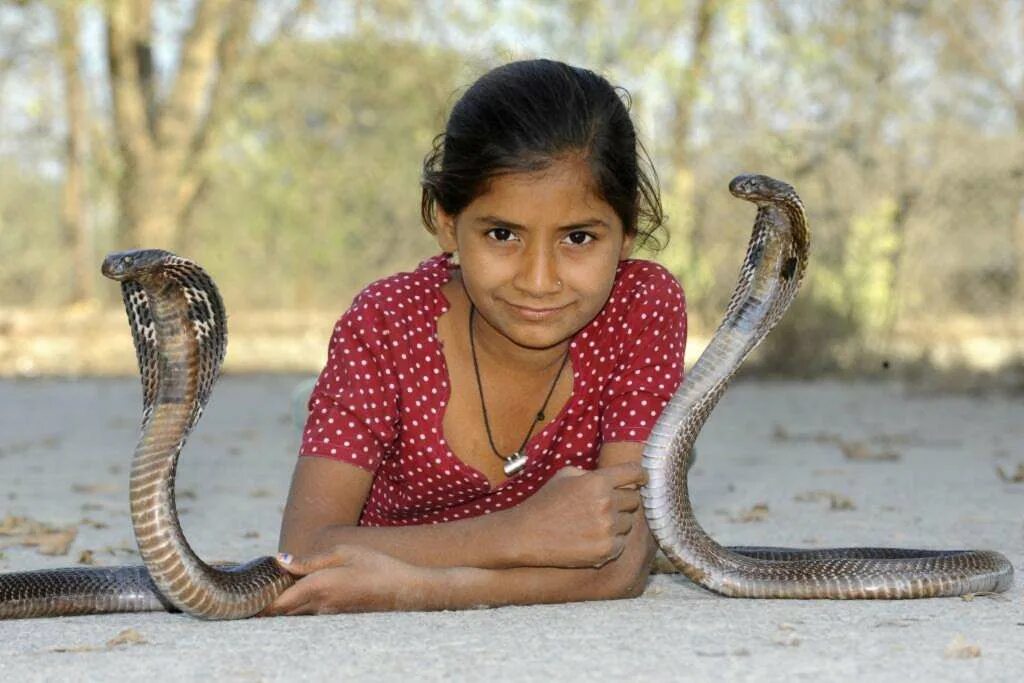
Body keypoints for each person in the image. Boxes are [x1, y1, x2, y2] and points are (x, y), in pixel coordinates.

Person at [261, 58, 687, 616]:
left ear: (627, 233)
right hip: (402, 453)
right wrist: (521, 533)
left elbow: (623, 565)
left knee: (660, 469)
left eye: (578, 237)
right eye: (502, 234)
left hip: (412, 552)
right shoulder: (387, 323)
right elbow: (303, 550)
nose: (538, 281)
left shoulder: (642, 308)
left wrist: (418, 588)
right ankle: (318, 404)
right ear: (446, 224)